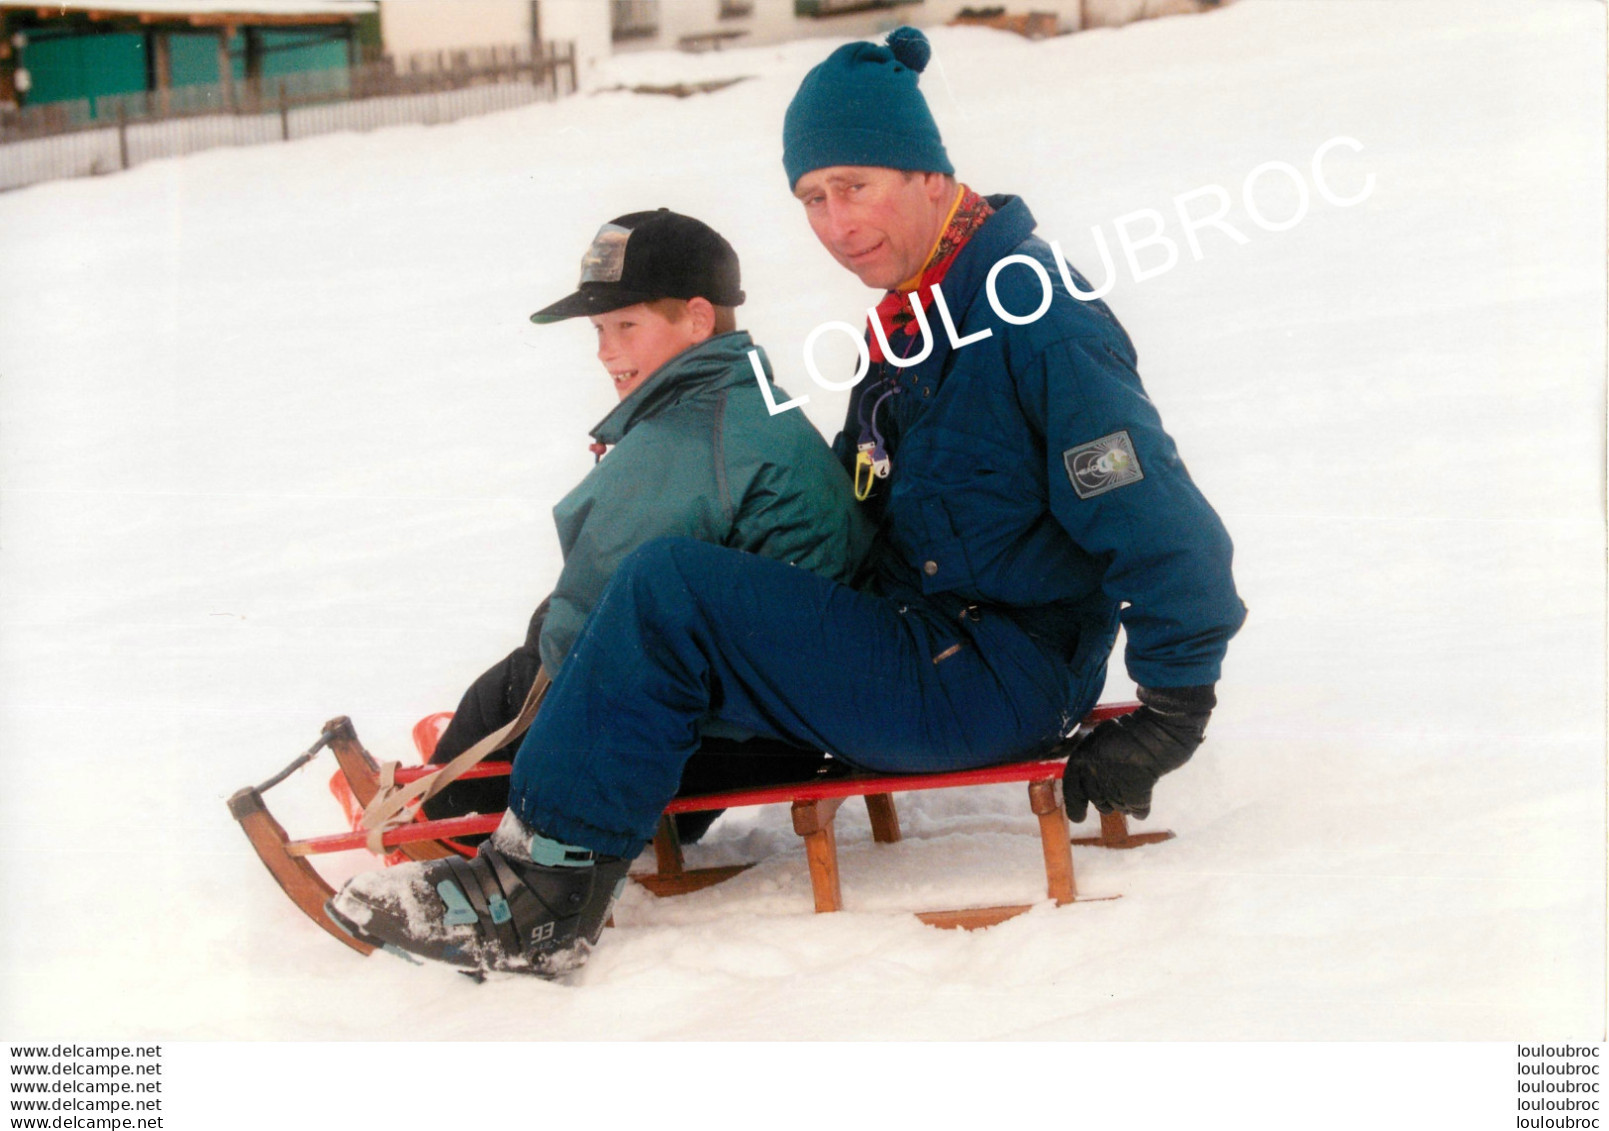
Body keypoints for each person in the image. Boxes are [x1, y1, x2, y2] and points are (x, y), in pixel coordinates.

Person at [327, 27, 1245, 977]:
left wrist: (1174, 711)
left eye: (856, 185)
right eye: (811, 197)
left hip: (991, 669)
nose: (835, 223)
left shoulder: (1035, 321)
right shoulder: (917, 320)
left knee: (669, 588)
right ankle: (561, 812)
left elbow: (1164, 525)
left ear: (930, 175)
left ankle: (536, 899)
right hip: (923, 636)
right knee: (674, 593)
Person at [418, 208, 869, 837]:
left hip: (734, 732)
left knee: (521, 679)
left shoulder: (690, 438)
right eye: (599, 329)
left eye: (626, 325)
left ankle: (440, 821)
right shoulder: (740, 400)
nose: (607, 352)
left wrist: (536, 663)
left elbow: (590, 621)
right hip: (781, 706)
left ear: (698, 317)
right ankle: (461, 776)